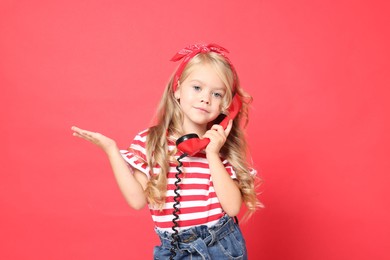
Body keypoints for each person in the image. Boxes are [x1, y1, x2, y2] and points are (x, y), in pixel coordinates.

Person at [71, 43, 262, 259]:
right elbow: (137, 201)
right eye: (197, 88)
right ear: (178, 89)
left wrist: (211, 153)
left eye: (216, 94)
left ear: (226, 105)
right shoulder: (150, 141)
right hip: (172, 250)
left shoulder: (219, 146)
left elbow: (233, 207)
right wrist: (111, 150)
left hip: (219, 247)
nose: (205, 98)